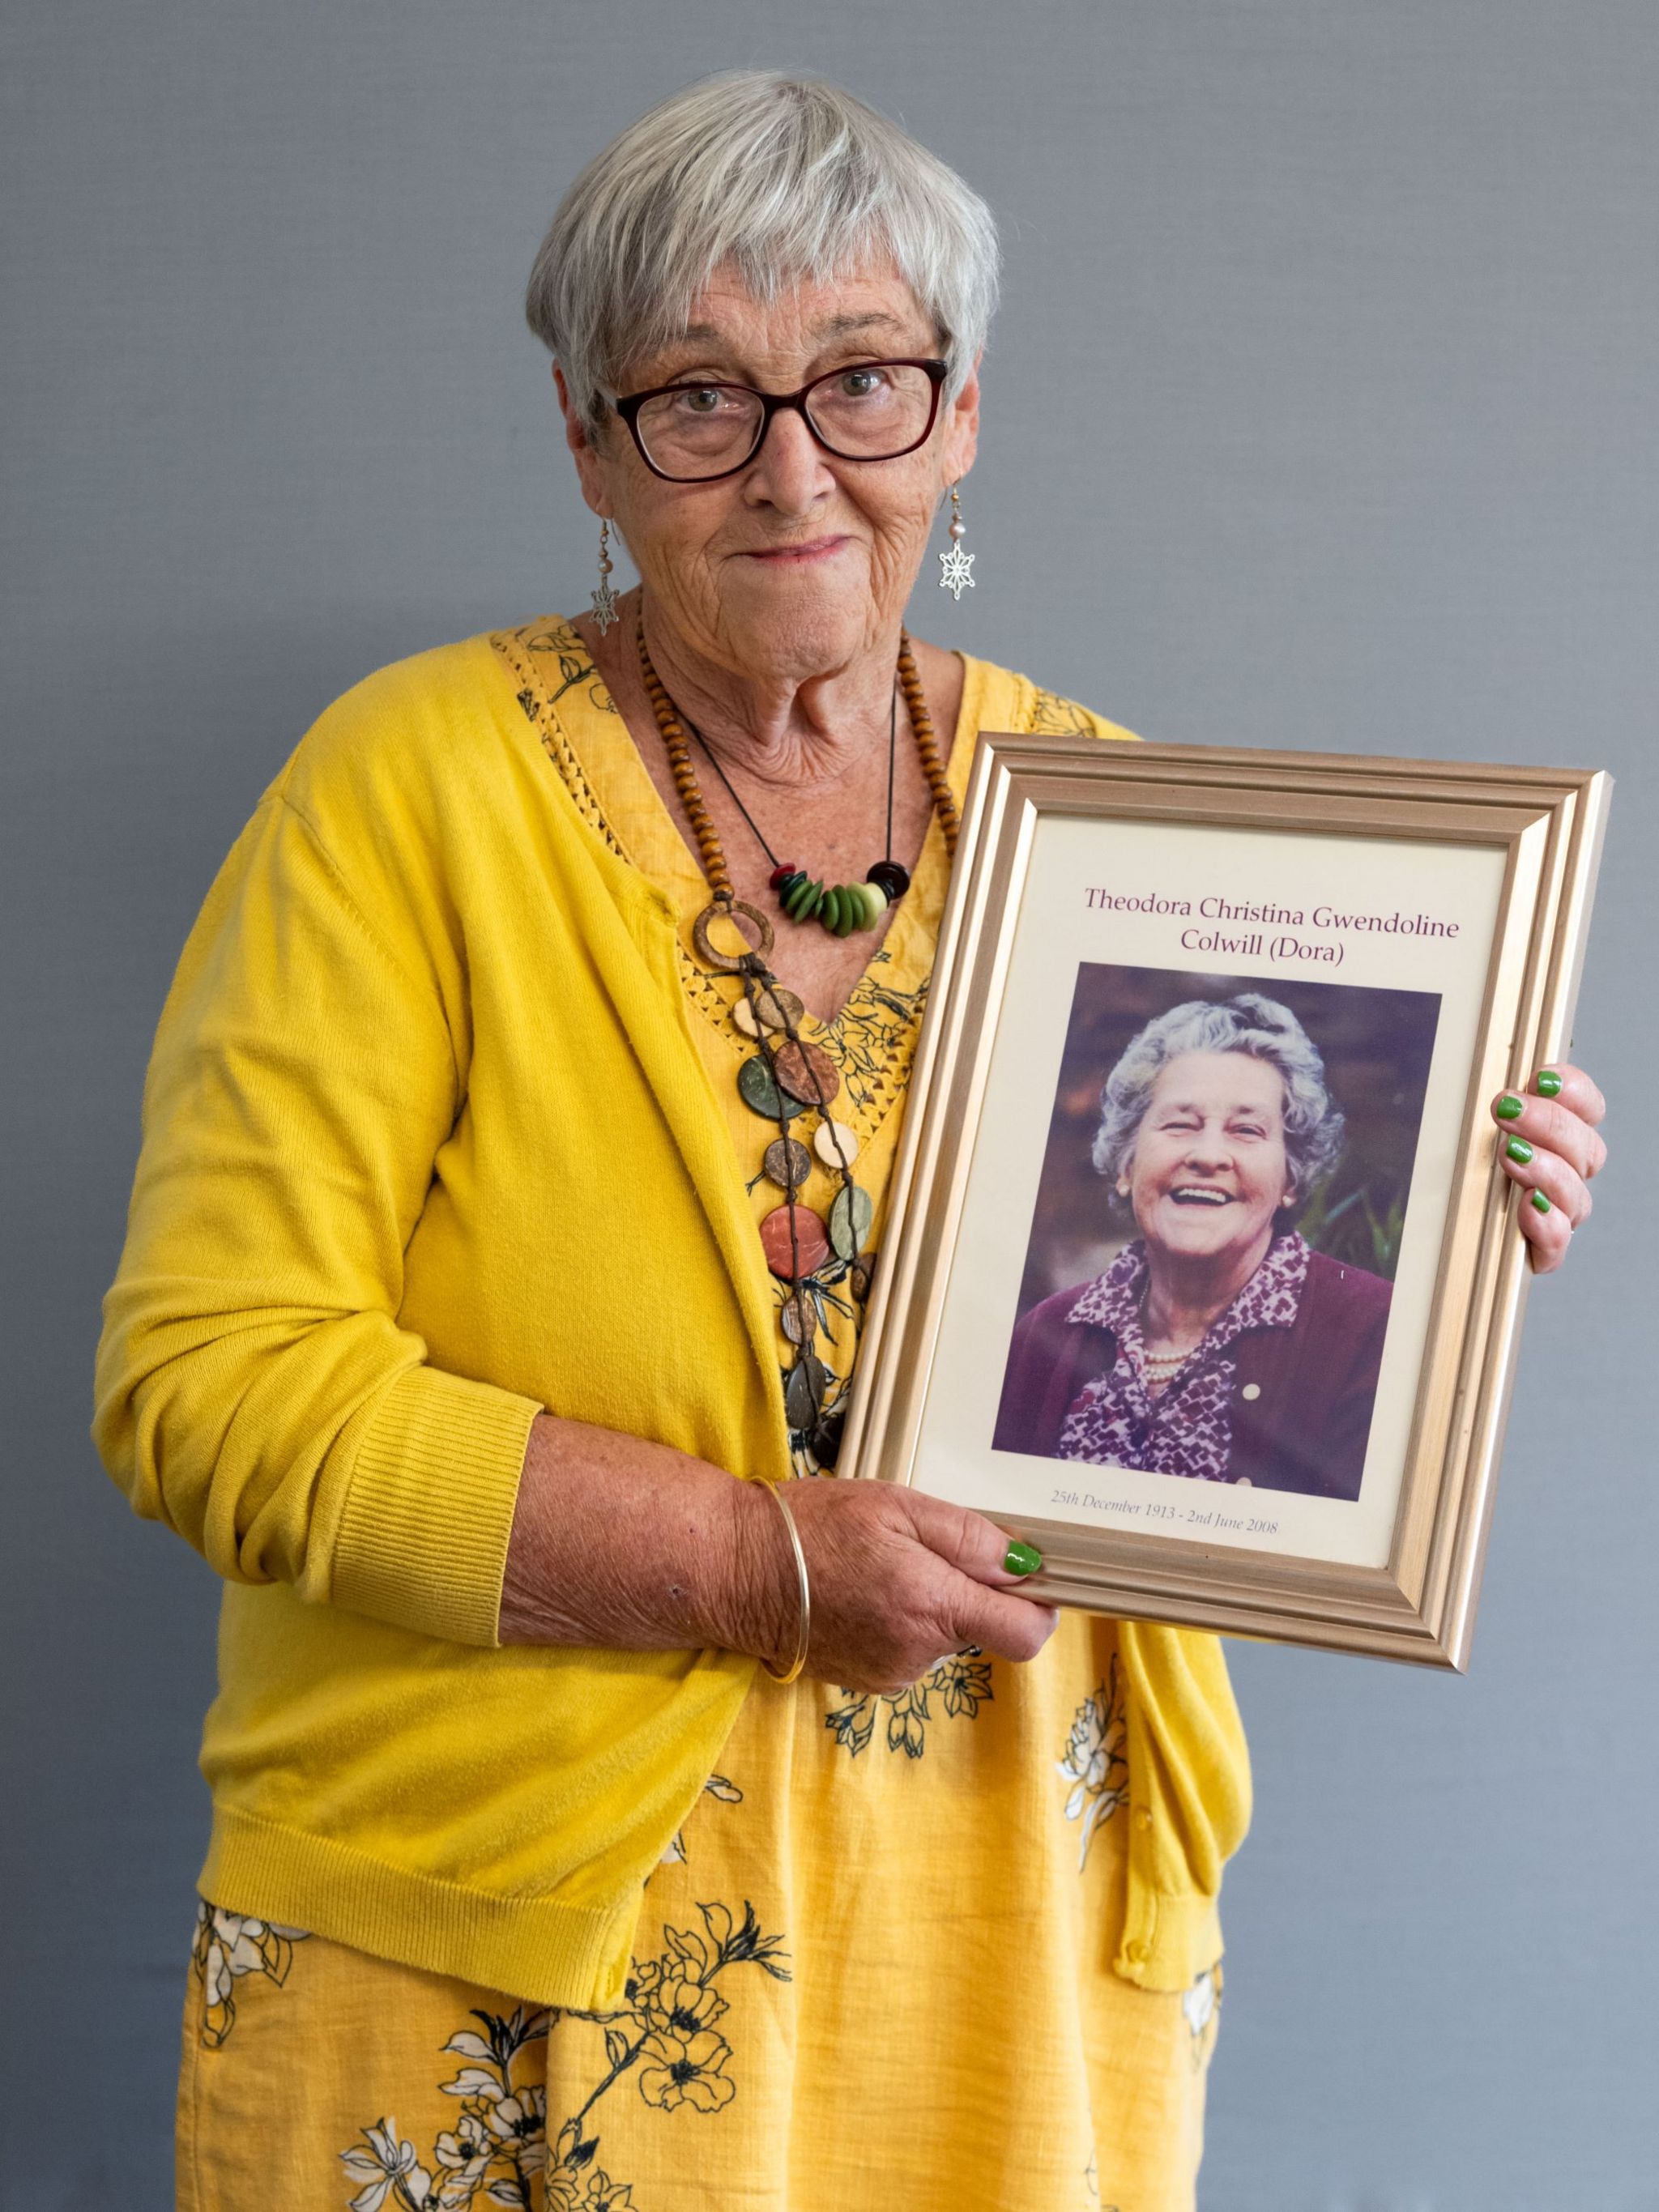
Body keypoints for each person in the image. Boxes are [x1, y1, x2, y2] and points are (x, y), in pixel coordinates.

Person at [92, 72, 1610, 2212]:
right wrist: (751, 1560)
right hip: (496, 1951)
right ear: (589, 445)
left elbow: (1194, 1391)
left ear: (961, 413)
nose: (795, 464)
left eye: (865, 380)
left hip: (996, 1929)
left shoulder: (1110, 809)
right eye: (698, 396)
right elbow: (209, 1383)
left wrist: (1428, 1235)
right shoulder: (401, 792)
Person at [996, 992, 1391, 1496]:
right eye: (1180, 1124)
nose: (1207, 1155)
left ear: (1291, 1177)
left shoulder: (1373, 1330)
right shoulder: (1045, 1334)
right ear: (1125, 1165)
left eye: (1246, 1130)